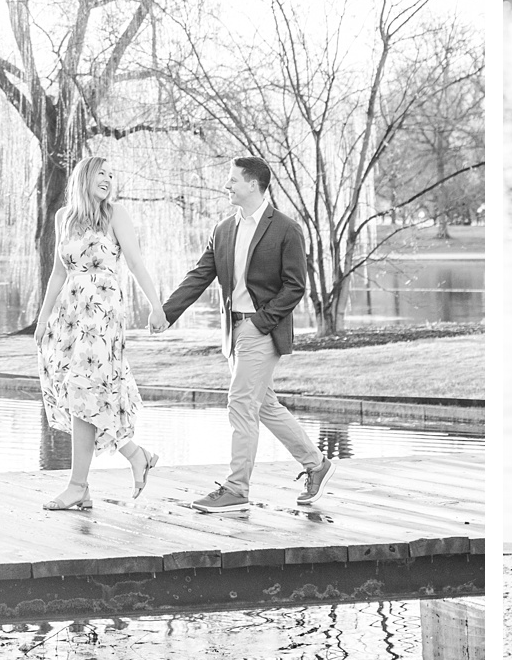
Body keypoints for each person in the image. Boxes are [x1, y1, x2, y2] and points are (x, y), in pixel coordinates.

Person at [159, 155, 331, 513]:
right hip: (233, 330)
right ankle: (316, 464)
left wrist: (260, 322)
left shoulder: (285, 229)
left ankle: (237, 488)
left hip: (260, 328)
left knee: (240, 403)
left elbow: (295, 286)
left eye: (233, 180)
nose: (227, 185)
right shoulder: (224, 229)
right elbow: (199, 276)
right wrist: (166, 313)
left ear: (254, 184)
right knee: (264, 405)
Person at [33, 149, 167, 511]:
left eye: (111, 175)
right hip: (69, 316)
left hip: (103, 315)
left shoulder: (115, 215)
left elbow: (136, 263)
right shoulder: (64, 218)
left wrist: (157, 307)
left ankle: (78, 485)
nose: (108, 180)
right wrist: (43, 320)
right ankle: (132, 457)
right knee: (80, 393)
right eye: (101, 175)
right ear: (84, 179)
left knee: (86, 390)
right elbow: (59, 273)